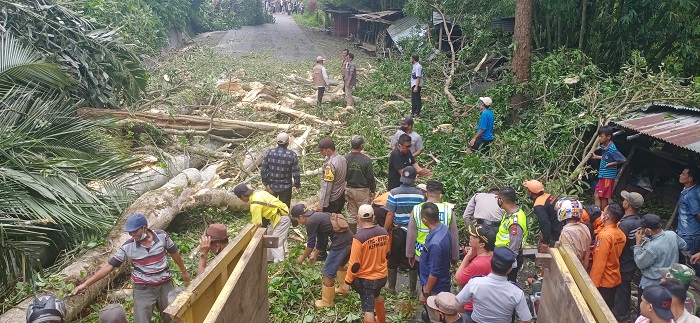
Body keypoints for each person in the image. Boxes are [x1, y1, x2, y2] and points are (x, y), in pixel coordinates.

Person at [71, 214, 190, 323]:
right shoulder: (128, 247)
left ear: (144, 227)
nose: (132, 235)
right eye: (130, 233)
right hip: (143, 289)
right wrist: (85, 284)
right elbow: (109, 266)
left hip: (165, 284)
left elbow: (174, 253)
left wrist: (184, 272)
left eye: (134, 232)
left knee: (173, 317)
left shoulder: (162, 236)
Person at [291, 203, 354, 308]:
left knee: (327, 273)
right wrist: (315, 256)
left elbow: (310, 245)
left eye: (298, 221)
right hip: (351, 241)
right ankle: (343, 288)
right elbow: (321, 239)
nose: (300, 223)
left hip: (340, 244)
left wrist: (301, 258)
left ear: (301, 217)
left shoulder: (310, 222)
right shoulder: (318, 216)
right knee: (340, 265)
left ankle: (327, 302)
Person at [407, 180, 459, 295]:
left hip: (421, 254)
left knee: (425, 279)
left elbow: (411, 234)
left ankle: (426, 296)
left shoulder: (417, 209)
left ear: (426, 194)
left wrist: (410, 254)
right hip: (443, 254)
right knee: (440, 278)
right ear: (440, 195)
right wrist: (455, 255)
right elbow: (454, 235)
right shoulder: (448, 210)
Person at [456, 247, 533, 323]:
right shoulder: (517, 293)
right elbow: (526, 320)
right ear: (510, 269)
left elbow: (458, 303)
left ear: (491, 262)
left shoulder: (475, 283)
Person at [341, 204, 390, 323]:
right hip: (382, 276)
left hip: (367, 279)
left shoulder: (359, 238)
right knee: (377, 296)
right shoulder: (384, 232)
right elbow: (387, 254)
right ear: (373, 218)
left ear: (358, 218)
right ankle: (381, 320)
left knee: (368, 309)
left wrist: (347, 282)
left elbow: (355, 264)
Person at [383, 166, 425, 293]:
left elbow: (390, 214)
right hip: (414, 231)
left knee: (394, 257)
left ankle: (391, 287)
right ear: (414, 178)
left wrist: (385, 230)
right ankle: (412, 290)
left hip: (398, 230)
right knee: (411, 257)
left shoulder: (394, 193)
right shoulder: (420, 195)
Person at [635, 213, 687, 313]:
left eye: (643, 228)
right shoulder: (671, 234)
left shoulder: (652, 247)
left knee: (645, 313)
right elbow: (684, 245)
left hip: (651, 284)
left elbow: (640, 263)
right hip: (669, 282)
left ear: (648, 230)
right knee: (660, 312)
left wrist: (638, 244)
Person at [233, 183, 291, 262]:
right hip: (277, 218)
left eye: (240, 198)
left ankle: (279, 263)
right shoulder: (260, 193)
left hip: (282, 219)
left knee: (275, 241)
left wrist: (255, 239)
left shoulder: (255, 205)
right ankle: (269, 259)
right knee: (269, 235)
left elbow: (257, 225)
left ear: (242, 196)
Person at [418, 202, 453, 323]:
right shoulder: (443, 228)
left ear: (424, 220)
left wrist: (425, 293)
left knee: (436, 317)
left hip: (435, 288)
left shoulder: (435, 243)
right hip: (442, 280)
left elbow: (434, 272)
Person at [614, 190, 645, 321]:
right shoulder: (638, 221)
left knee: (621, 289)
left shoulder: (625, 224)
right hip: (631, 260)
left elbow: (618, 244)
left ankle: (621, 314)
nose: (623, 201)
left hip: (624, 261)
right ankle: (623, 311)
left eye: (625, 200)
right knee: (625, 287)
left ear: (628, 205)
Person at [454, 224, 495, 321]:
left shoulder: (477, 264)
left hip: (472, 307)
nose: (470, 237)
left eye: (474, 236)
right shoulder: (492, 256)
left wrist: (467, 257)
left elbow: (457, 280)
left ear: (482, 245)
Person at [589, 203, 626, 310]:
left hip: (603, 281)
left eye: (603, 212)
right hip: (614, 277)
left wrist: (592, 285)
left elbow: (599, 263)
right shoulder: (620, 234)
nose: (601, 214)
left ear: (607, 217)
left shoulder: (604, 236)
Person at [494, 187, 528, 282]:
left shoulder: (515, 222)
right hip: (502, 255)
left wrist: (509, 266)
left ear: (501, 200)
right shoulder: (509, 214)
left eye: (497, 199)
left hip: (507, 259)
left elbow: (514, 246)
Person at [590, 125, 627, 211]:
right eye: (599, 136)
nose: (599, 138)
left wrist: (612, 164)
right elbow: (606, 157)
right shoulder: (605, 147)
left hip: (608, 176)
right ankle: (599, 213)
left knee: (602, 196)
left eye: (601, 136)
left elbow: (623, 160)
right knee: (598, 195)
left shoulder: (612, 148)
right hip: (603, 175)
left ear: (608, 137)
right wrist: (596, 157)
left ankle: (602, 214)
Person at [345, 135, 376, 233]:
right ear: (361, 146)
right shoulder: (366, 160)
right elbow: (370, 177)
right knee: (365, 214)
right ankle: (364, 237)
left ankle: (352, 238)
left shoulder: (345, 158)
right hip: (362, 191)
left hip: (348, 189)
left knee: (352, 215)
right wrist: (372, 189)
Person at [261, 132, 301, 208]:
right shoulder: (292, 155)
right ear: (287, 142)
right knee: (284, 210)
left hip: (271, 186)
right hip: (286, 188)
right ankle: (284, 220)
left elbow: (263, 170)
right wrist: (297, 186)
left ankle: (265, 220)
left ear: (277, 141)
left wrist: (266, 184)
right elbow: (296, 173)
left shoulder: (269, 152)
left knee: (268, 209)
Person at [523, 180, 561, 253]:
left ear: (531, 192)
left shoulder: (539, 205)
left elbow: (545, 224)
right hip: (560, 226)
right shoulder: (548, 196)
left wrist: (545, 244)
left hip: (556, 233)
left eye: (527, 190)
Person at [556, 198, 591, 268]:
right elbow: (587, 252)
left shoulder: (565, 232)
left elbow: (567, 257)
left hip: (572, 268)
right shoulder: (584, 227)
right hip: (582, 267)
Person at [316, 137, 347, 213]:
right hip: (340, 195)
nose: (320, 153)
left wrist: (322, 204)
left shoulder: (330, 165)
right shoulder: (343, 159)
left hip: (332, 200)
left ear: (328, 150)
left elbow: (327, 186)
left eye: (321, 151)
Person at [678, 167, 700, 275]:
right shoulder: (690, 190)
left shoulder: (691, 195)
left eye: (683, 174)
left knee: (688, 262)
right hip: (687, 231)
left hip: (689, 233)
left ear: (690, 178)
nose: (680, 175)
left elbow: (697, 214)